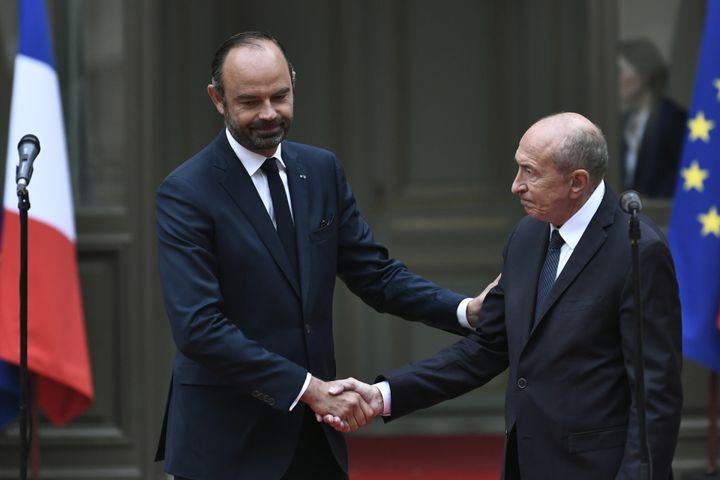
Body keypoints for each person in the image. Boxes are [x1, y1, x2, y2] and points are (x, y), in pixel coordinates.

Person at [154, 30, 494, 480]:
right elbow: (199, 328)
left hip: (314, 440)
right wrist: (309, 389)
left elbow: (375, 274)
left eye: (280, 95)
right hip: (225, 444)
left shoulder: (321, 170)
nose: (269, 113)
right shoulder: (186, 192)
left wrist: (467, 310)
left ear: (294, 82)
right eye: (250, 102)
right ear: (217, 99)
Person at [328, 112, 683, 479]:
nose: (516, 185)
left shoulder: (637, 250)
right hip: (525, 464)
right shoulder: (527, 236)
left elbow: (655, 394)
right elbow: (487, 349)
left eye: (530, 172)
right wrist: (383, 395)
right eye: (518, 168)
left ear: (577, 182)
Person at [618, 38, 687, 198]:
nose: (617, 80)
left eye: (620, 71)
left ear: (643, 73)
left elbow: (678, 173)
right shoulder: (623, 122)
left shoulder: (671, 119)